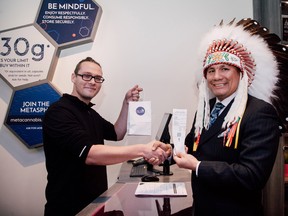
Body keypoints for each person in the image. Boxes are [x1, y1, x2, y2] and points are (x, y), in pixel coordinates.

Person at [173, 18, 288, 216]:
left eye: (225, 68)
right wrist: (169, 149)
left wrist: (198, 166)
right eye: (211, 70)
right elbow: (192, 143)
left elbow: (252, 176)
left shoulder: (259, 112)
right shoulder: (206, 108)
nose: (217, 76)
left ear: (241, 73)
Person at [42, 57, 171, 216]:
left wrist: (126, 104)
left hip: (93, 204)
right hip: (69, 208)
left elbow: (117, 133)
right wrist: (143, 150)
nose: (92, 81)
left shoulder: (88, 112)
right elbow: (90, 155)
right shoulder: (60, 112)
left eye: (97, 78)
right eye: (86, 75)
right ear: (73, 77)